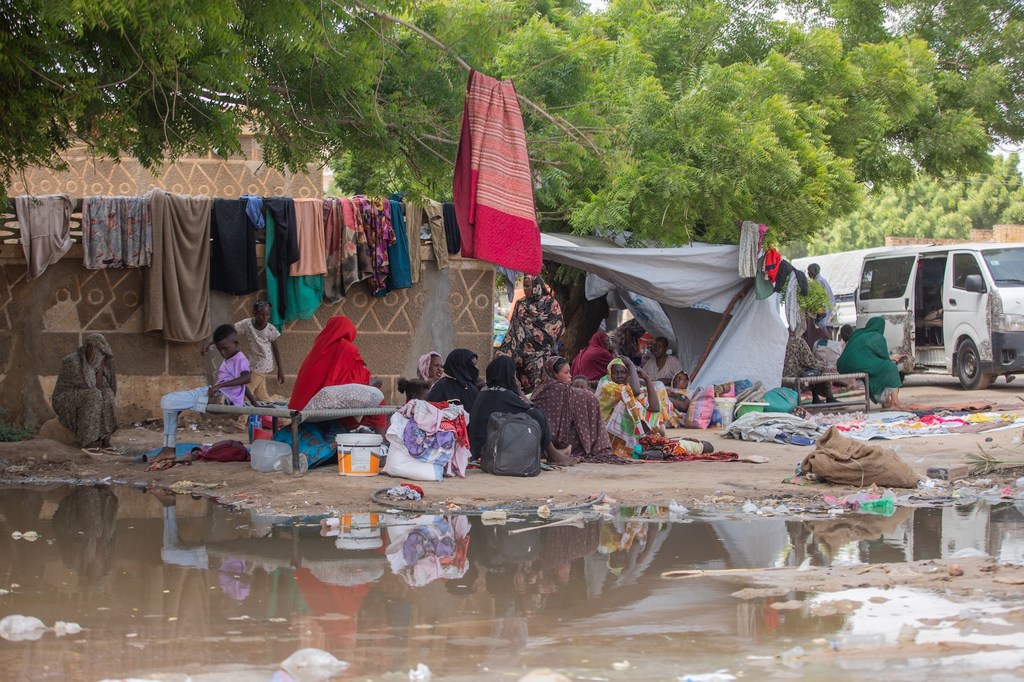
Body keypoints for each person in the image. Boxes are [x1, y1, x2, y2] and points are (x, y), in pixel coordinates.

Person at [156, 324, 250, 461]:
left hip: (222, 395)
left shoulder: (240, 358)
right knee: (168, 402)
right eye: (220, 350)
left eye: (225, 349)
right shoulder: (230, 358)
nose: (223, 353)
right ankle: (168, 449)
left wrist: (220, 386)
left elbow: (246, 378)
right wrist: (254, 403)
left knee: (167, 402)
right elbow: (243, 386)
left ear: (236, 343)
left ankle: (168, 449)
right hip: (214, 391)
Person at [468, 355, 574, 466]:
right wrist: (519, 391)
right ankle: (553, 455)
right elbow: (533, 409)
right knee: (537, 415)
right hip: (488, 451)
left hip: (478, 449)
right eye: (514, 373)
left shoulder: (487, 391)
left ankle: (550, 453)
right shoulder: (502, 394)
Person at [288, 314, 386, 433]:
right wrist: (370, 383)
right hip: (319, 403)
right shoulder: (346, 347)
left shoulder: (318, 346)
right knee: (378, 398)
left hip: (298, 405)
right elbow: (355, 380)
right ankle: (382, 439)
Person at [531, 356, 617, 463]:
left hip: (536, 438)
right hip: (551, 439)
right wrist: (590, 396)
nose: (570, 376)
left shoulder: (539, 388)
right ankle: (555, 452)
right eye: (566, 373)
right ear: (554, 374)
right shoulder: (559, 388)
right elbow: (586, 397)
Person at [51, 333, 118, 451]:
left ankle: (105, 439)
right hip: (65, 398)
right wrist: (90, 364)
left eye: (102, 352)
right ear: (87, 347)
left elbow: (99, 385)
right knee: (93, 395)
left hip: (85, 394)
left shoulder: (99, 363)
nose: (98, 354)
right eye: (96, 350)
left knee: (107, 394)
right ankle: (88, 442)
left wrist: (101, 364)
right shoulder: (72, 361)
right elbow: (88, 385)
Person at [499, 275, 564, 393]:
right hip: (521, 357)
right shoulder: (520, 304)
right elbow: (514, 329)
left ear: (537, 286)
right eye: (524, 286)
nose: (525, 289)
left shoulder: (551, 304)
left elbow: (557, 327)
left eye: (528, 286)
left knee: (539, 391)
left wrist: (538, 343)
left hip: (541, 356)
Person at [219, 300, 285, 403]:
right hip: (253, 364)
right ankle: (276, 412)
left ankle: (243, 413)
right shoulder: (247, 324)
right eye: (261, 314)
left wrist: (280, 370)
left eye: (267, 315)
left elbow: (276, 349)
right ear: (254, 313)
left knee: (247, 390)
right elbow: (229, 331)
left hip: (264, 364)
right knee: (262, 395)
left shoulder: (270, 329)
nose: (265, 317)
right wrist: (212, 342)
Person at [597, 357, 663, 458]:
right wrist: (631, 365)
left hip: (621, 432)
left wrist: (646, 378)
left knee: (639, 401)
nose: (619, 376)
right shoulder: (606, 384)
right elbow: (635, 391)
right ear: (610, 373)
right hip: (605, 430)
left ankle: (639, 441)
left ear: (628, 375)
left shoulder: (628, 386)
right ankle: (638, 441)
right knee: (626, 403)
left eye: (623, 372)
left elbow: (655, 408)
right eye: (615, 373)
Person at [837, 317, 904, 408]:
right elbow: (884, 358)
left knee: (873, 369)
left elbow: (867, 355)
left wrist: (891, 358)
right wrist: (893, 359)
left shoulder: (858, 333)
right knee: (891, 367)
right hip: (857, 364)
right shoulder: (877, 336)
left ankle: (887, 401)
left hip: (842, 365)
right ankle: (894, 402)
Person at [784, 319, 837, 403]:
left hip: (783, 374)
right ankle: (829, 398)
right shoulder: (798, 341)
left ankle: (816, 398)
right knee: (822, 371)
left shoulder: (783, 340)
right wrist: (824, 366)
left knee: (812, 370)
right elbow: (810, 362)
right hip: (795, 375)